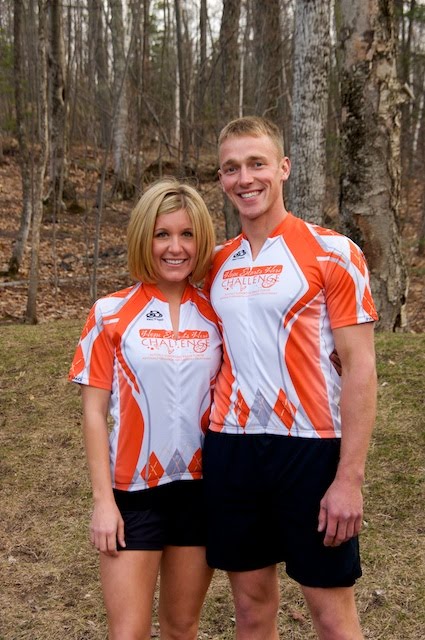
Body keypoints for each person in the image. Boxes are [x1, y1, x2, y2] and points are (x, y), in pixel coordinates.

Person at [202, 116, 378, 640]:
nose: (245, 178)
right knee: (251, 611)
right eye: (231, 168)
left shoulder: (334, 252)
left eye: (256, 163)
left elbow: (361, 367)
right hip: (232, 448)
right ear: (221, 178)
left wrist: (349, 478)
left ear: (283, 167)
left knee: (332, 616)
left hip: (312, 450)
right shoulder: (213, 265)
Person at [69, 178, 222, 640]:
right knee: (128, 632)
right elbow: (93, 413)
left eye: (187, 234)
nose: (175, 247)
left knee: (182, 627)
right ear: (144, 238)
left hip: (200, 491)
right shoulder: (109, 313)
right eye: (162, 234)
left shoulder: (219, 313)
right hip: (132, 494)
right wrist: (103, 503)